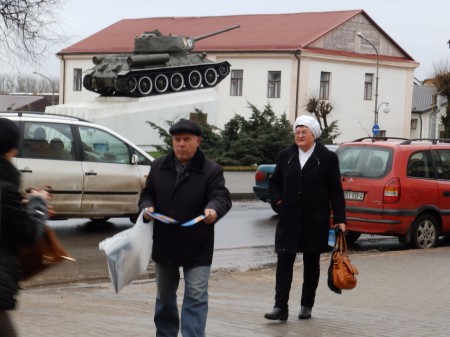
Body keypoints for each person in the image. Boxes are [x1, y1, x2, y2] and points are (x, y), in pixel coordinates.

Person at [139, 118, 232, 337]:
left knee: (196, 295)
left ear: (198, 141)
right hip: (165, 243)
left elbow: (221, 196)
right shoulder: (158, 166)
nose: (181, 144)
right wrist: (147, 205)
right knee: (164, 296)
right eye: (177, 139)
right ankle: (165, 333)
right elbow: (148, 193)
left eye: (187, 139)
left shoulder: (211, 170)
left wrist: (213, 210)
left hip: (197, 244)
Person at [264, 115, 346, 321]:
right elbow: (274, 184)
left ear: (314, 135)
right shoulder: (286, 155)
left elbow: (336, 190)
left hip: (314, 218)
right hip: (289, 218)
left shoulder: (327, 157)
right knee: (284, 261)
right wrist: (278, 202)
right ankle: (280, 307)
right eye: (297, 132)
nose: (299, 135)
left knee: (312, 261)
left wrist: (340, 218)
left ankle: (306, 305)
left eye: (304, 132)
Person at [0, 118, 52, 337]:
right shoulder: (5, 186)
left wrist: (20, 204)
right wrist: (39, 203)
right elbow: (28, 234)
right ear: (12, 149)